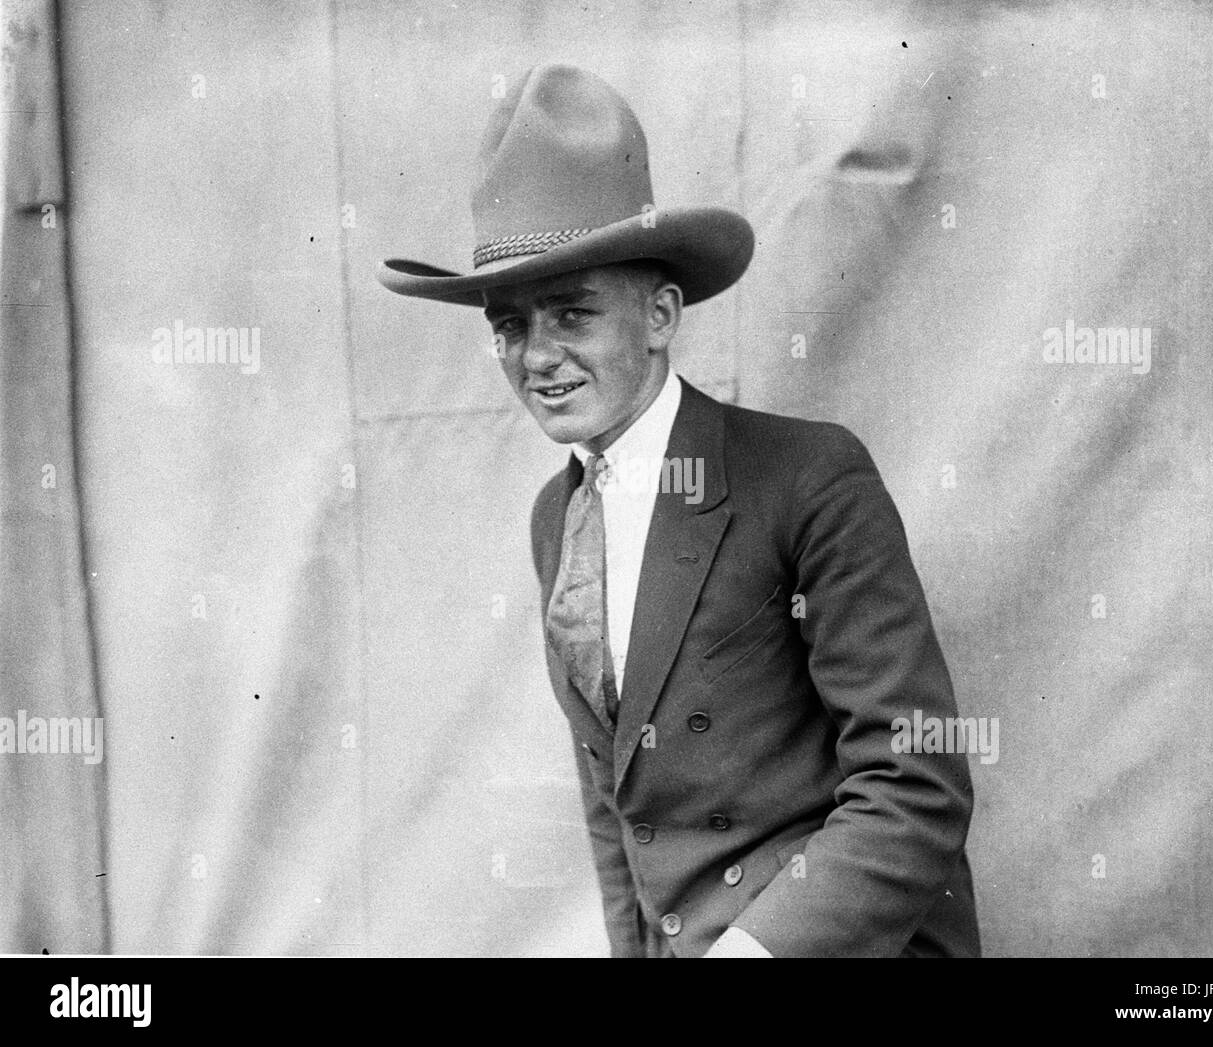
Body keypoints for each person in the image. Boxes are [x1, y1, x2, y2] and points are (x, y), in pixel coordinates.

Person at [378, 64, 979, 958]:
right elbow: (618, 819)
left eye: (572, 313)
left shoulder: (809, 478)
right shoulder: (559, 518)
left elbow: (915, 783)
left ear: (660, 315)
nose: (537, 357)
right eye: (508, 325)